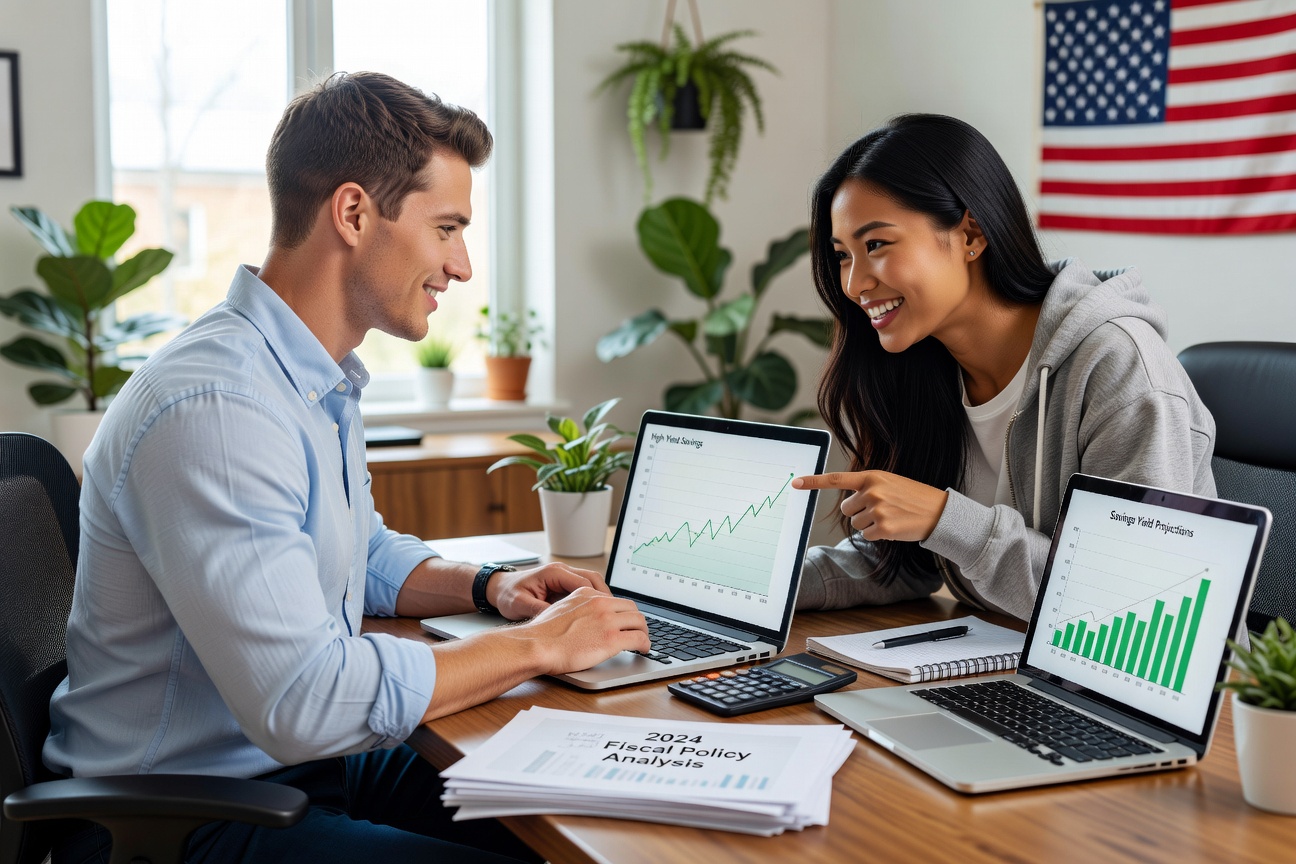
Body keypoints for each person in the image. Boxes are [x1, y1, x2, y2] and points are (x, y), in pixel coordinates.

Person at [44, 71, 650, 864]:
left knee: (586, 814)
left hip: (289, 771)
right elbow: (306, 700)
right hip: (182, 817)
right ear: (355, 212)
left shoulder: (306, 377)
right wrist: (540, 646)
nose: (462, 266)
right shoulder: (217, 407)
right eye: (447, 228)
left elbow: (357, 550)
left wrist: (490, 587)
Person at [791, 114, 1215, 622]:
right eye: (842, 255)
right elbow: (908, 564)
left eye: (876, 245)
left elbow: (1124, 604)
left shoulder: (1118, 367)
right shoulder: (925, 363)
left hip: (1151, 690)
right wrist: (767, 576)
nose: (855, 283)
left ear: (970, 234)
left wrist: (946, 519)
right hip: (997, 660)